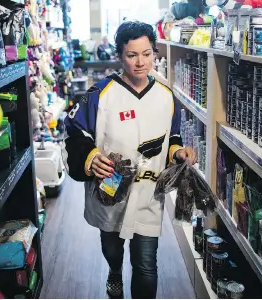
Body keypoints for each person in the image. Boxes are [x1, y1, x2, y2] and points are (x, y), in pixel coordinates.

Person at [64, 21, 197, 299]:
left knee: (146, 265)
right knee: (112, 247)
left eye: (147, 54)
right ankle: (114, 271)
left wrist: (178, 153)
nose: (140, 63)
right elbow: (75, 131)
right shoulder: (99, 94)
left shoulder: (166, 97)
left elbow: (171, 138)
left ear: (155, 53)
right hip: (111, 190)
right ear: (119, 55)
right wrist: (90, 157)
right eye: (132, 55)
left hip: (149, 193)